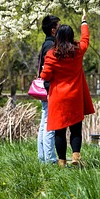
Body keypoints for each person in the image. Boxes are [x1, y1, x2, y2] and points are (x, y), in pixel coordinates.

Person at [40, 11, 95, 167]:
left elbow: (45, 76)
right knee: (76, 128)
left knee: (59, 131)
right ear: (71, 37)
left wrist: (45, 69)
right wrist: (84, 23)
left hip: (58, 97)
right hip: (75, 96)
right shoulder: (77, 51)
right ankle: (76, 157)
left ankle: (62, 162)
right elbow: (85, 39)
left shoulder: (52, 54)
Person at [37, 14, 60, 163]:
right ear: (53, 30)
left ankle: (42, 157)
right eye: (59, 27)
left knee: (44, 122)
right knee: (49, 124)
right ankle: (50, 159)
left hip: (44, 87)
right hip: (49, 88)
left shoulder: (46, 44)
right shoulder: (51, 46)